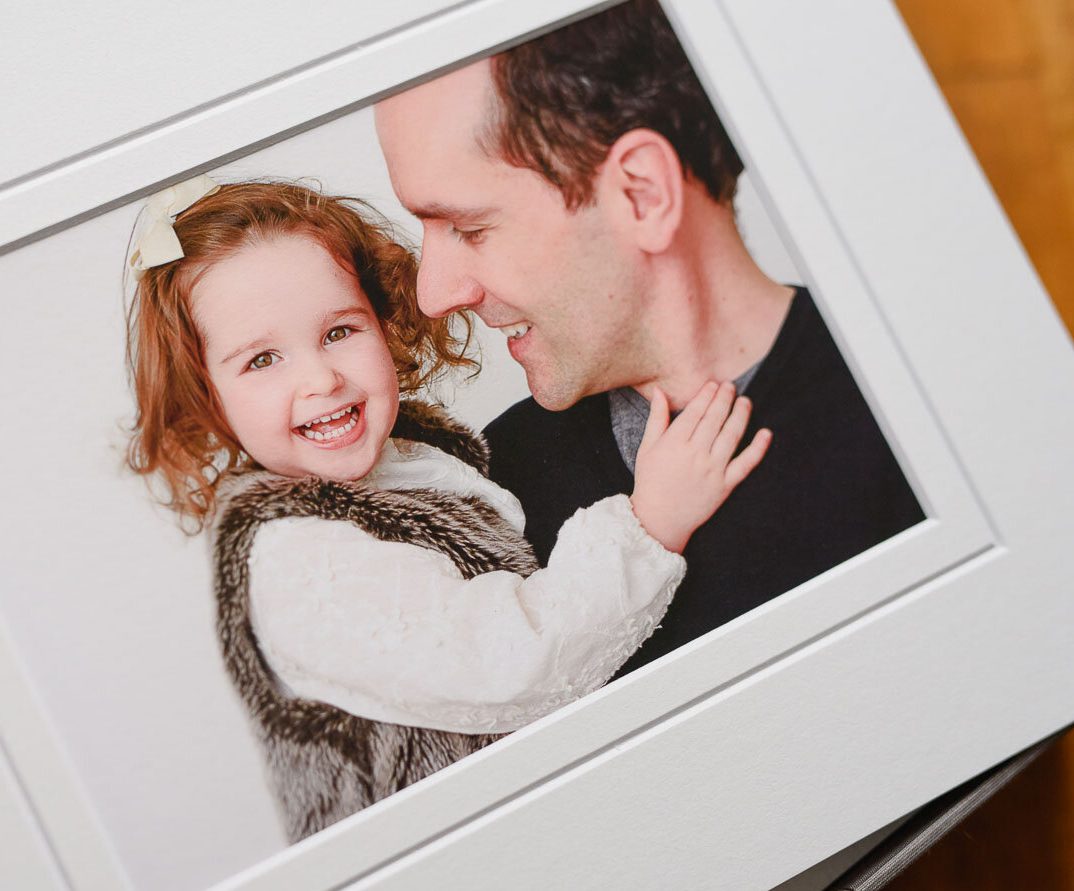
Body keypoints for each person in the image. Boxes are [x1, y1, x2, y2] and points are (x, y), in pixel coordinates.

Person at [123, 178, 768, 841]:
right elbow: (509, 663)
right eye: (262, 359)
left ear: (382, 319)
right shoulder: (301, 563)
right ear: (205, 396)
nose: (320, 379)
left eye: (339, 330)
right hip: (467, 873)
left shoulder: (408, 464)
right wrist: (650, 522)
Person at [374, 0, 924, 675]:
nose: (434, 295)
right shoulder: (493, 495)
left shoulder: (923, 414)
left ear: (643, 195)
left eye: (470, 228)